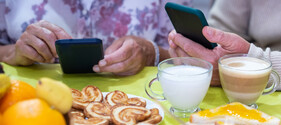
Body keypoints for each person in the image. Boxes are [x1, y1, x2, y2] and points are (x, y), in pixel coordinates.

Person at [0, 0, 191, 76]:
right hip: (29, 109)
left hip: (136, 108)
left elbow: (192, 59)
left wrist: (151, 53)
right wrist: (12, 52)